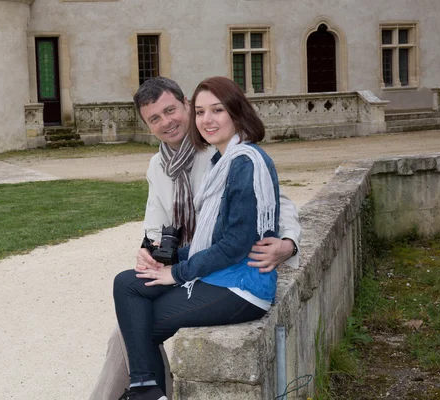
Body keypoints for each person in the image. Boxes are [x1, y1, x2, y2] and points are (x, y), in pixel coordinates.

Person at [88, 77, 301, 400]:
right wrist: (149, 253)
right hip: (190, 259)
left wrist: (288, 243)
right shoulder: (158, 166)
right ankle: (150, 391)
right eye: (154, 119)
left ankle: (140, 392)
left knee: (130, 331)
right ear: (147, 126)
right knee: (129, 302)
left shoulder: (218, 153)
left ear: (185, 104)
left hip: (217, 267)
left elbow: (271, 203)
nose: (166, 122)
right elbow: (156, 226)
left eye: (170, 110)